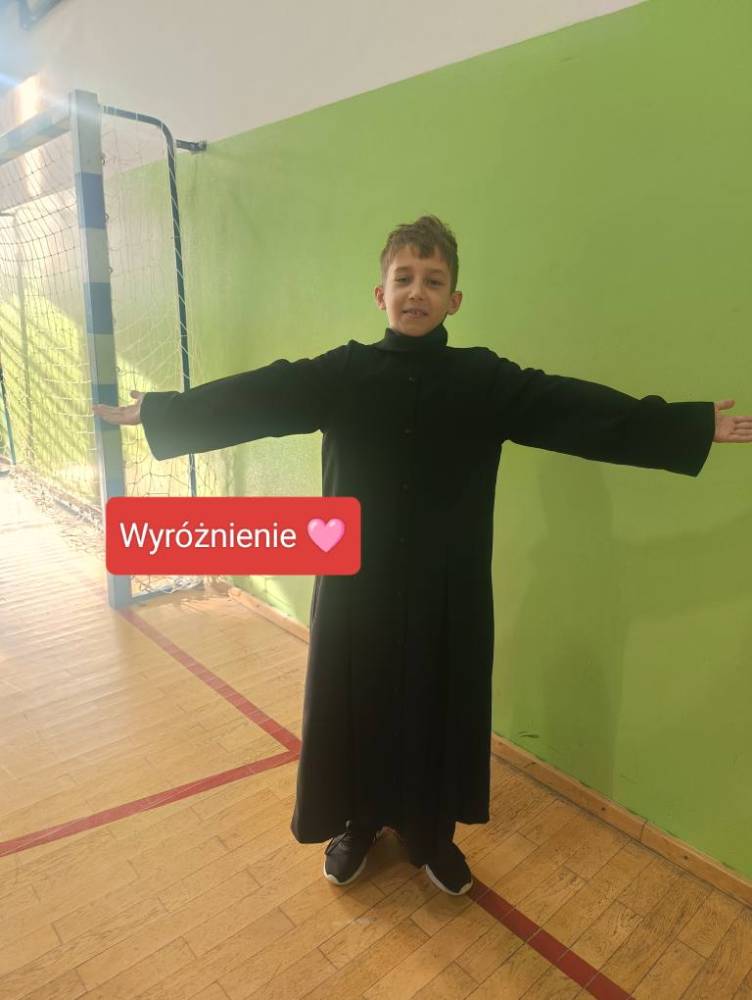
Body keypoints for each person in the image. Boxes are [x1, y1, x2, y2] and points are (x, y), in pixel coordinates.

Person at [93, 214, 752, 897]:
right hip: (358, 586)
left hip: (449, 587)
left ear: (453, 300)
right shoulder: (344, 374)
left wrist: (686, 425)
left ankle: (432, 834)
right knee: (358, 702)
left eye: (433, 281)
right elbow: (260, 394)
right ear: (380, 293)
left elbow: (577, 409)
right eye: (404, 278)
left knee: (440, 704)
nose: (417, 291)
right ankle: (358, 823)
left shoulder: (483, 381)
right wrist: (164, 411)